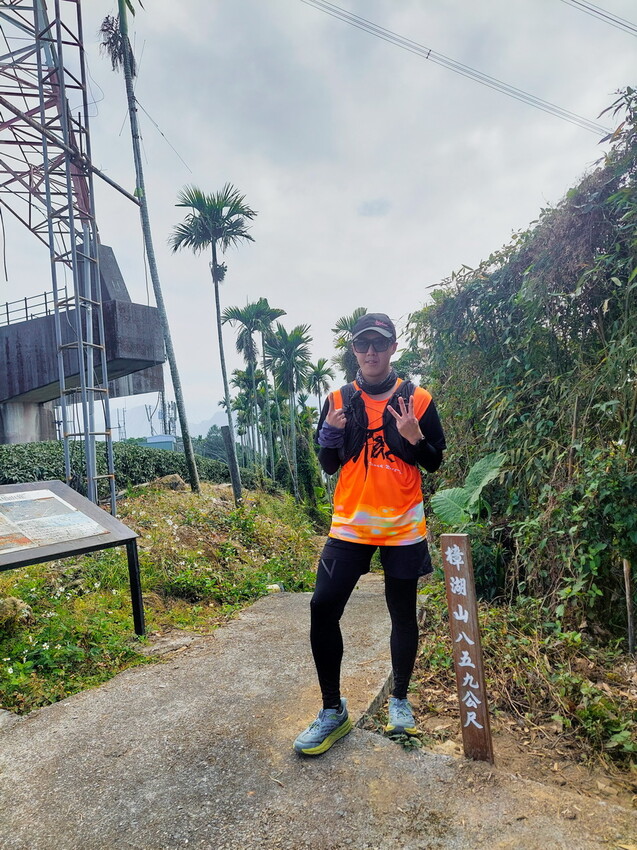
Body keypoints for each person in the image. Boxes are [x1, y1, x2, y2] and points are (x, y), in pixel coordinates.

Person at [293, 312, 446, 756]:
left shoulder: (417, 399)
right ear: (354, 350)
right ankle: (331, 711)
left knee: (402, 614)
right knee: (322, 607)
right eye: (363, 345)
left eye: (379, 344)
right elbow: (327, 464)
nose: (371, 353)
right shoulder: (338, 398)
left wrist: (415, 437)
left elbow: (434, 462)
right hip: (351, 525)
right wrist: (330, 433)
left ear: (393, 347)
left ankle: (399, 701)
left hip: (402, 527)